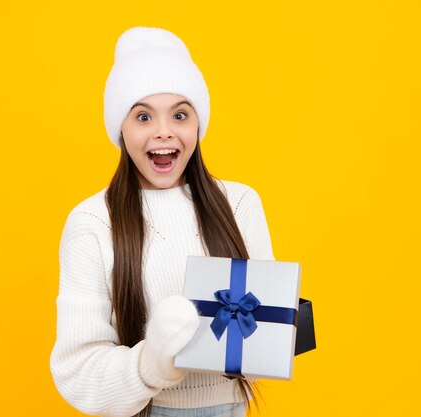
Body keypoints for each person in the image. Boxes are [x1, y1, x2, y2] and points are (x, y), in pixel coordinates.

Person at [49, 26, 275, 417]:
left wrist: (282, 325)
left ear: (197, 125)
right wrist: (153, 363)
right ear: (121, 128)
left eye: (180, 114)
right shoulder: (92, 222)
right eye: (143, 116)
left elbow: (265, 335)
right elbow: (77, 372)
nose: (164, 132)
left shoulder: (239, 204)